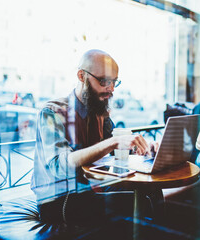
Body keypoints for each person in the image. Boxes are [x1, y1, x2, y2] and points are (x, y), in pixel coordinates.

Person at [30, 49, 153, 230]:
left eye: (114, 82)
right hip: (59, 199)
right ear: (81, 76)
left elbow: (114, 150)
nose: (110, 89)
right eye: (104, 81)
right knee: (138, 202)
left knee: (150, 191)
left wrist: (142, 147)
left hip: (92, 187)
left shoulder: (99, 112)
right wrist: (112, 143)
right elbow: (59, 166)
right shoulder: (52, 112)